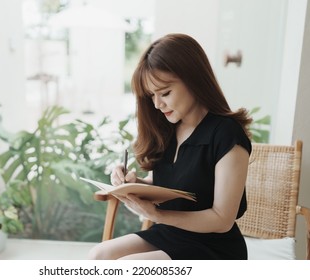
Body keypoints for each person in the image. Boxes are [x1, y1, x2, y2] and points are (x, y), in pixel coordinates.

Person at [88, 33, 252, 260]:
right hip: (171, 233)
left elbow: (222, 219)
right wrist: (134, 185)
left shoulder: (227, 134)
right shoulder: (167, 128)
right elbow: (172, 183)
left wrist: (157, 214)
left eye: (165, 93)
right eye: (152, 95)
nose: (157, 104)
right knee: (98, 256)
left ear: (194, 80)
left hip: (214, 247)